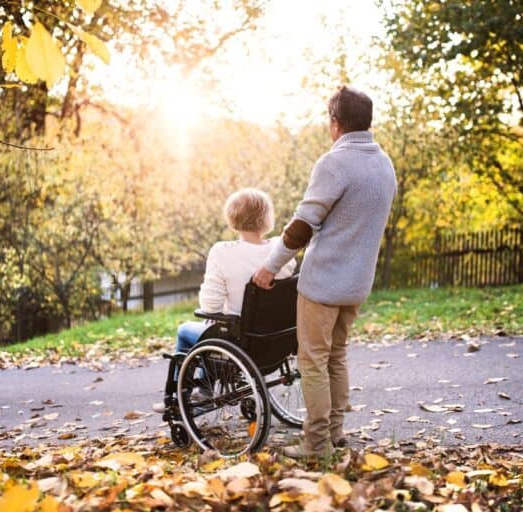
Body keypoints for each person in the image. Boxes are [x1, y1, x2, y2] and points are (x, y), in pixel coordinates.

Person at [253, 85, 396, 458]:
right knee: (337, 356)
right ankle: (334, 433)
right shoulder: (384, 164)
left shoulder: (334, 163)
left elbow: (303, 225)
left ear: (335, 124)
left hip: (323, 283)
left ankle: (316, 446)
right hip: (358, 282)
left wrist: (270, 266)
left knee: (312, 361)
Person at [153, 188, 296, 412]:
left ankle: (187, 395)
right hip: (278, 341)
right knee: (216, 330)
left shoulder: (222, 252)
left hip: (242, 342)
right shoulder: (281, 250)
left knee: (186, 331)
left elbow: (211, 306)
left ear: (232, 221)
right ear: (267, 219)